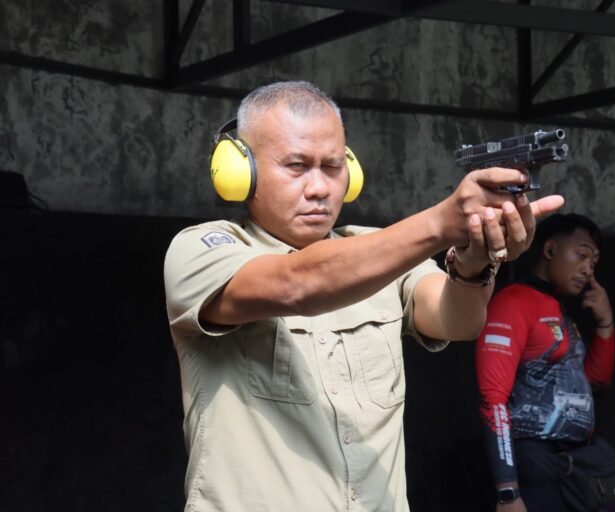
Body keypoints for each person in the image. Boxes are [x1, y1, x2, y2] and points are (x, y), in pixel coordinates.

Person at [163, 80, 564, 512]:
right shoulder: (201, 251)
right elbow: (296, 283)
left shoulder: (384, 252)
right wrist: (440, 223)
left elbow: (458, 321)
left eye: (332, 166)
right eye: (297, 166)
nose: (319, 188)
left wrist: (475, 261)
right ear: (241, 170)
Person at [475, 213, 615, 512]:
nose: (588, 270)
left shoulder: (558, 311)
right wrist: (507, 491)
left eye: (593, 263)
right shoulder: (513, 303)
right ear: (551, 250)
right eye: (581, 256)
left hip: (576, 467)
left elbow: (594, 386)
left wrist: (605, 324)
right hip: (535, 464)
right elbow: (493, 399)